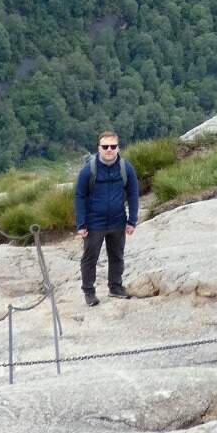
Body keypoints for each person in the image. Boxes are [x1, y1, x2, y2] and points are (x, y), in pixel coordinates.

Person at [75, 129, 139, 306]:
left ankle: (115, 287)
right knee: (90, 258)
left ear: (118, 148)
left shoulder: (126, 168)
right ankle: (89, 292)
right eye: (105, 146)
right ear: (99, 148)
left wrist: (132, 220)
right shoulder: (89, 170)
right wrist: (81, 223)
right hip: (94, 223)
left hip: (118, 221)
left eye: (113, 146)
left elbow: (133, 193)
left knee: (117, 256)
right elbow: (79, 196)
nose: (109, 150)